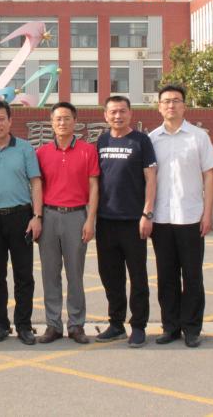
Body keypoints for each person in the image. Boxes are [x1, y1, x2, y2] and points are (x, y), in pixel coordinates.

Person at [148, 84, 213, 348]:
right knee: (166, 276)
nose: (171, 105)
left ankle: (191, 328)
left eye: (176, 100)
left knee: (192, 276)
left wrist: (207, 213)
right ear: (159, 107)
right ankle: (170, 326)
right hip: (161, 218)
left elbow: (209, 175)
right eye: (166, 101)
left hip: (191, 217)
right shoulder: (151, 139)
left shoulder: (198, 137)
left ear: (184, 105)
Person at [0, 100, 43, 345]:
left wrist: (37, 216)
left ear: (10, 121)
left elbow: (36, 182)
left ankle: (24, 325)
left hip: (21, 218)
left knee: (24, 275)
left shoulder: (25, 149)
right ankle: (0, 324)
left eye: (2, 119)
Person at [94, 96, 157, 348]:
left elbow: (151, 179)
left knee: (138, 276)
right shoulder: (101, 141)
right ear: (105, 116)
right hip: (106, 220)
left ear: (130, 113)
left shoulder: (141, 141)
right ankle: (116, 323)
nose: (117, 116)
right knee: (111, 276)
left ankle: (138, 326)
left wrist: (147, 213)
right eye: (113, 112)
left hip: (133, 220)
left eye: (122, 111)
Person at [36, 102, 100, 345]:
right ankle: (53, 325)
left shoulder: (88, 150)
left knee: (75, 274)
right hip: (49, 216)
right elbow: (37, 187)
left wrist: (90, 220)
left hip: (76, 216)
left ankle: (76, 325)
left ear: (75, 121)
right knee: (50, 274)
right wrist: (37, 217)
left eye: (67, 118)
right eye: (58, 119)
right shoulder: (41, 153)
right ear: (51, 123)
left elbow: (94, 186)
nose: (62, 123)